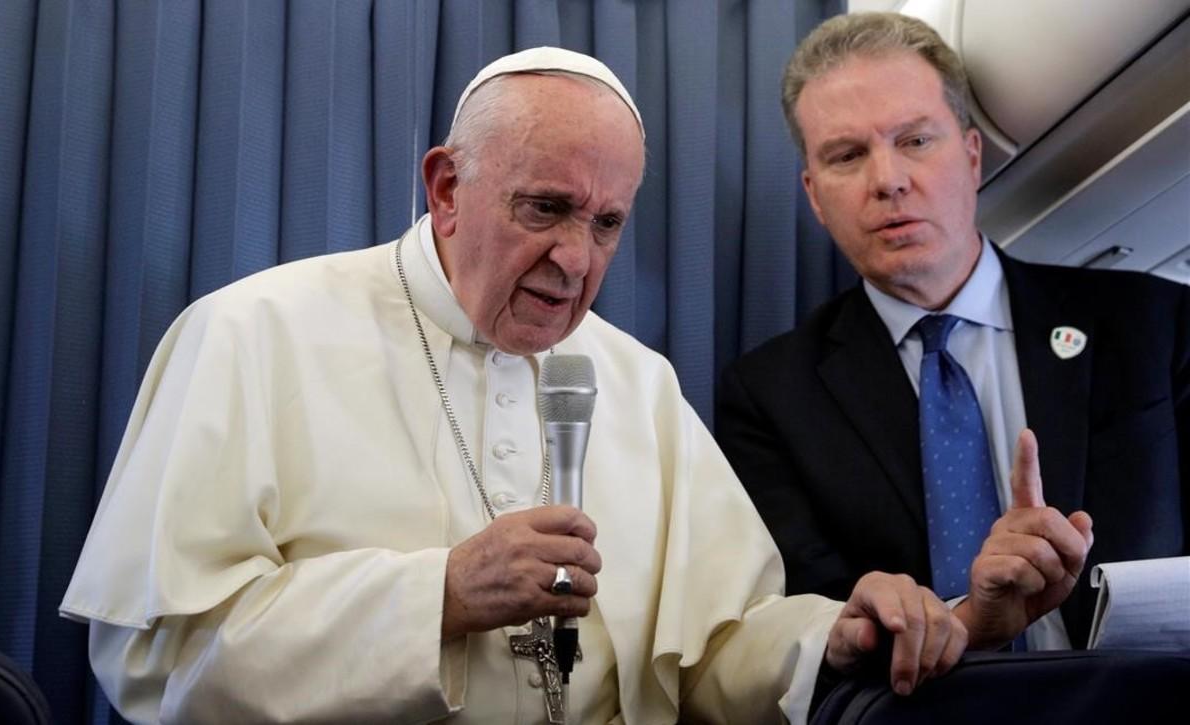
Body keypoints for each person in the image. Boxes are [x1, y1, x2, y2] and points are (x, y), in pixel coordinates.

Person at [59, 47, 985, 724]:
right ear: (448, 187)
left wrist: (829, 637)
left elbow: (708, 656)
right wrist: (441, 596)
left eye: (609, 223)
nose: (577, 258)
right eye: (545, 207)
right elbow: (154, 653)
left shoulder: (638, 382)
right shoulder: (252, 333)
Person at [716, 11, 1185, 653]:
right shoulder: (770, 395)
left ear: (970, 156)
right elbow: (810, 629)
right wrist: (964, 621)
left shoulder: (1155, 324)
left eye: (915, 141)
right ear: (816, 197)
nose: (888, 180)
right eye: (848, 155)